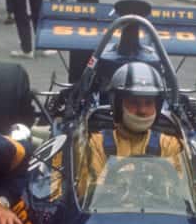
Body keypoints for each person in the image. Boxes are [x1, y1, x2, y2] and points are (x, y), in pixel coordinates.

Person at [77, 62, 183, 198]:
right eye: (134, 102)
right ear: (118, 105)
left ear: (157, 105)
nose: (142, 110)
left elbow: (181, 193)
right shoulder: (97, 144)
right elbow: (89, 194)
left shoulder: (171, 145)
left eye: (148, 103)